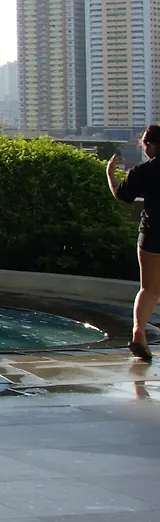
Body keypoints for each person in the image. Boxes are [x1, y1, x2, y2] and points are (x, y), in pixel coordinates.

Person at [107, 124, 160, 361]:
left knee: (149, 289)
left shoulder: (143, 171)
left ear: (150, 145)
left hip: (152, 234)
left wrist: (110, 174)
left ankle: (139, 334)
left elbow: (122, 195)